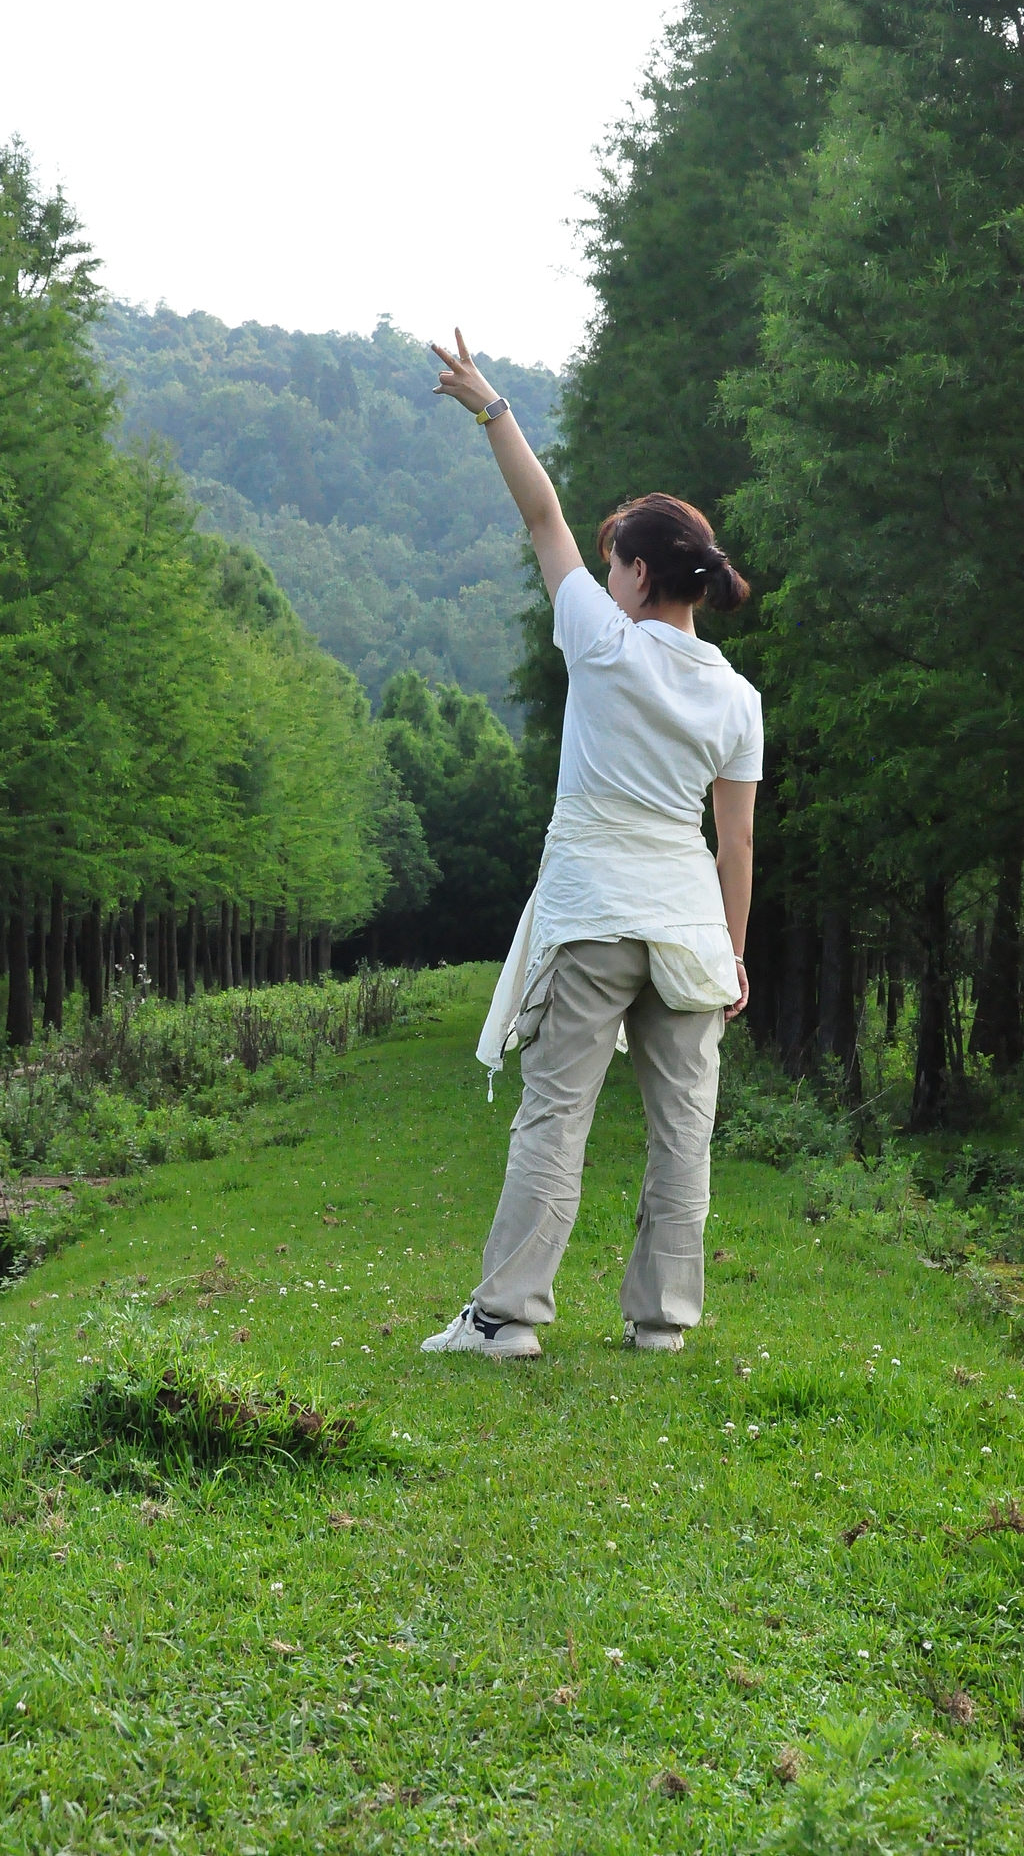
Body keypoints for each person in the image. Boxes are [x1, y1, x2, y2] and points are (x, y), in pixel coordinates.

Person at [421, 330, 761, 1361]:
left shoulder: (600, 641)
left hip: (593, 911)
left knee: (554, 1117)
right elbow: (733, 841)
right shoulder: (737, 697)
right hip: (689, 929)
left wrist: (492, 409)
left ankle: (506, 1318)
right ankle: (661, 1324)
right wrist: (733, 953)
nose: (600, 570)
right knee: (681, 1132)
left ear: (639, 571)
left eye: (613, 560)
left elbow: (539, 513)